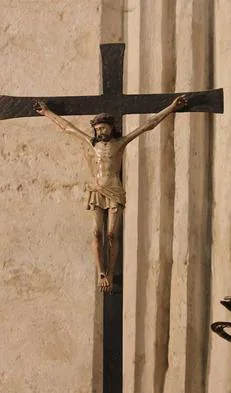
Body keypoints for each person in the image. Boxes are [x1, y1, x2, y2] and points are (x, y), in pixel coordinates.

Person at [33, 95, 188, 292]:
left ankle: (111, 270)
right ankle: (101, 272)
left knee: (112, 234)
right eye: (97, 129)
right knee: (96, 233)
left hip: (114, 189)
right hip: (97, 190)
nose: (101, 131)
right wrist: (47, 113)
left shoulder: (120, 143)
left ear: (111, 128)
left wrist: (171, 108)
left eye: (104, 128)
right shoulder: (92, 143)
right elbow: (67, 127)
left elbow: (149, 125)